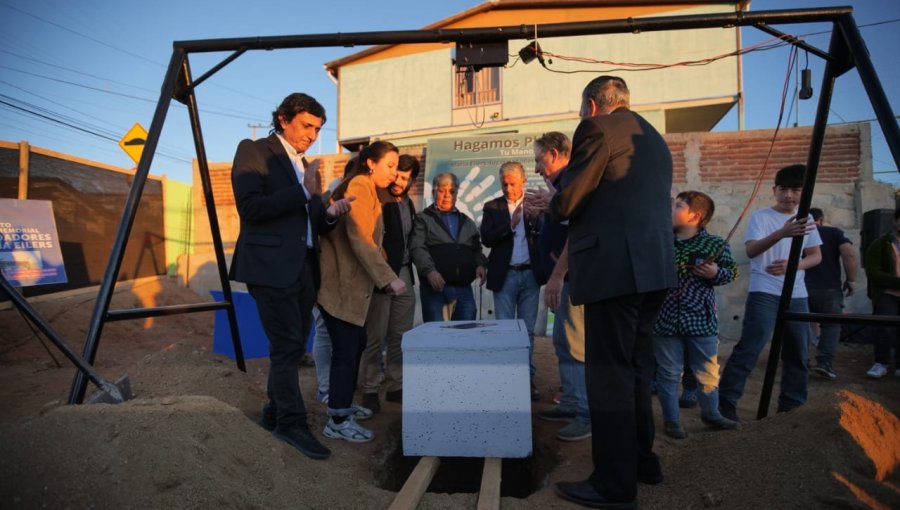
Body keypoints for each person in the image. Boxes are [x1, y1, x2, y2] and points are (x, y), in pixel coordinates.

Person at [550, 76, 677, 509]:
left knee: (608, 377)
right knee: (638, 372)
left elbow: (570, 199)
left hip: (614, 271)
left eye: (582, 109)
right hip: (654, 270)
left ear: (591, 105)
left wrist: (549, 199)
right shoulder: (653, 137)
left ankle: (613, 485)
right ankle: (643, 462)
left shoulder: (597, 130)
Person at [230, 92, 354, 461]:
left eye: (317, 128)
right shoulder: (255, 151)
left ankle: (272, 413)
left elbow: (313, 222)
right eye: (306, 126)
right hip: (270, 268)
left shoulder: (305, 165)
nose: (312, 135)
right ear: (283, 119)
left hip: (303, 268)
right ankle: (291, 422)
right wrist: (303, 190)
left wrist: (331, 213)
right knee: (286, 348)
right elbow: (250, 208)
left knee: (292, 347)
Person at [316, 141, 407, 443]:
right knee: (345, 351)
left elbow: (370, 240)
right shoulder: (360, 185)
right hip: (340, 286)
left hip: (351, 287)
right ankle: (337, 420)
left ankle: (342, 405)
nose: (394, 174)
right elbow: (360, 239)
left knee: (353, 348)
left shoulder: (369, 189)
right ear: (370, 163)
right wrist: (388, 278)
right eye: (390, 166)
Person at [718, 164, 822, 423]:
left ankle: (791, 406)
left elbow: (815, 256)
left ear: (805, 192)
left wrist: (792, 266)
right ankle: (725, 403)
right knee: (750, 348)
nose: (789, 195)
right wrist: (782, 232)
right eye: (783, 189)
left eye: (796, 190)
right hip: (764, 291)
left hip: (797, 293)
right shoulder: (761, 217)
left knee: (798, 351)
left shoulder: (807, 218)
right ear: (774, 190)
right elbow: (752, 251)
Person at [652, 191, 741, 440]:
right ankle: (671, 420)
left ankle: (711, 413)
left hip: (701, 321)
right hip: (664, 320)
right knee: (668, 373)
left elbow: (732, 272)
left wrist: (714, 273)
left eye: (677, 206)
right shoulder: (660, 241)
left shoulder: (714, 244)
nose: (670, 211)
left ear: (696, 216)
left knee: (707, 371)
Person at [526, 131, 592, 442]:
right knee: (563, 343)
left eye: (539, 159)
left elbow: (577, 235)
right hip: (565, 279)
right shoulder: (561, 187)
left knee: (577, 345)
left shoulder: (571, 184)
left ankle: (585, 413)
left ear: (554, 154)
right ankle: (570, 402)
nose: (537, 168)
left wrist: (557, 275)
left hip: (574, 279)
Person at [359, 154, 419, 412]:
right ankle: (370, 389)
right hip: (381, 276)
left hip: (404, 273)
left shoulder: (408, 203)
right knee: (376, 336)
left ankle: (396, 386)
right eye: (396, 175)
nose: (398, 181)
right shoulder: (378, 197)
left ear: (411, 181)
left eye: (405, 178)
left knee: (400, 336)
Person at [480, 161, 543, 399]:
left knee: (527, 331)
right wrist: (510, 225)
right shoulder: (492, 207)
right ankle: (507, 379)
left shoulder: (536, 204)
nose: (508, 189)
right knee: (505, 330)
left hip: (530, 274)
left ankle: (526, 379)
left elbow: (545, 235)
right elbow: (486, 239)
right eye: (504, 184)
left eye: (512, 184)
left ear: (524, 181)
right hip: (504, 275)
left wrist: (536, 219)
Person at [410, 172, 488, 322]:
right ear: (433, 191)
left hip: (464, 289)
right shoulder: (423, 218)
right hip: (435, 289)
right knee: (437, 336)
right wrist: (430, 271)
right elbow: (417, 248)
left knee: (465, 335)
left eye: (452, 191)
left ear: (457, 193)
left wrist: (480, 264)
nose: (447, 196)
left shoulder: (467, 222)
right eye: (442, 191)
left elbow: (476, 248)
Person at [805, 207, 857, 379]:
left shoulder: (798, 233)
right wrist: (851, 280)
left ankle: (801, 362)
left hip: (800, 288)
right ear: (821, 219)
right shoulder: (834, 232)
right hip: (829, 288)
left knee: (798, 323)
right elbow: (848, 253)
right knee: (831, 325)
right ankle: (825, 363)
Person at [862, 208, 900, 378]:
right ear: (895, 221)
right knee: (884, 328)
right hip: (887, 293)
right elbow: (873, 272)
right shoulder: (880, 244)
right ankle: (881, 363)